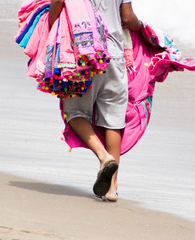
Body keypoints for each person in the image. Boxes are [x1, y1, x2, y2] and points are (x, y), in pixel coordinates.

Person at [49, 0, 141, 202]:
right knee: (113, 120)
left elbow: (57, 3)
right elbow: (127, 18)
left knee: (74, 112)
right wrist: (142, 29)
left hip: (85, 53)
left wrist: (49, 26)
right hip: (115, 55)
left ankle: (103, 156)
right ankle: (112, 189)